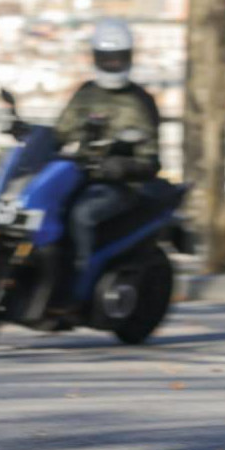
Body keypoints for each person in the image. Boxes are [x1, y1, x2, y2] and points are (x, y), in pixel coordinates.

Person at [55, 18, 162, 290]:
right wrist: (33, 136)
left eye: (118, 58)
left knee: (82, 215)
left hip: (123, 186)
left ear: (128, 58)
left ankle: (80, 282)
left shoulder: (140, 101)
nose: (113, 64)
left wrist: (123, 167)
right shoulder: (85, 94)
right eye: (107, 58)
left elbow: (151, 160)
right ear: (96, 57)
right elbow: (61, 132)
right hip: (81, 177)